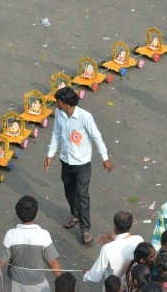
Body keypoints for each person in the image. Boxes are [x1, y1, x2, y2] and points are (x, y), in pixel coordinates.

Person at [44, 86, 112, 245]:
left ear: (67, 103)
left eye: (58, 102)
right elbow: (56, 135)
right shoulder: (59, 114)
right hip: (66, 161)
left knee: (82, 195)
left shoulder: (85, 117)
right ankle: (75, 215)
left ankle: (85, 229)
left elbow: (97, 137)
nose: (56, 105)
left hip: (82, 164)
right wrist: (50, 155)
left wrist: (105, 157)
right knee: (69, 192)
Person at [2, 195, 63, 292]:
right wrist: (63, 279)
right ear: (36, 213)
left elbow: (2, 261)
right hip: (37, 284)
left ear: (17, 213)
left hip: (15, 284)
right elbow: (52, 262)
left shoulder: (10, 234)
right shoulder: (44, 235)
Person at [84, 211, 143, 285]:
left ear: (115, 226)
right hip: (130, 284)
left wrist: (86, 274)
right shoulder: (139, 240)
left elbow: (95, 275)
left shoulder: (107, 249)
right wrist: (115, 238)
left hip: (113, 287)